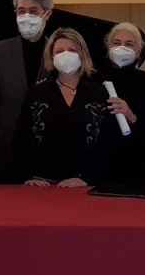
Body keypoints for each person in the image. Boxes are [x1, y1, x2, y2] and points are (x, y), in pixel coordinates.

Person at [12, 28, 123, 187]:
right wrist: (26, 176)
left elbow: (108, 141)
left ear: (82, 54)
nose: (66, 55)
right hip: (43, 183)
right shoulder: (37, 92)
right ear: (51, 56)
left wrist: (88, 178)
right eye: (59, 51)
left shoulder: (99, 93)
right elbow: (21, 137)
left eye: (72, 50)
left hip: (85, 183)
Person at [0, 0, 54, 184]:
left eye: (33, 11)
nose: (26, 16)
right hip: (7, 149)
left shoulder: (58, 52)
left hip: (47, 149)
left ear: (47, 14)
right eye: (21, 11)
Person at [95, 22, 145, 183]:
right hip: (99, 167)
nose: (121, 48)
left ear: (139, 51)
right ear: (108, 47)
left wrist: (132, 116)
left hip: (136, 166)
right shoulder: (93, 79)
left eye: (129, 44)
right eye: (116, 43)